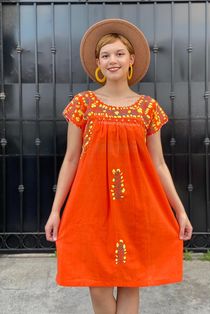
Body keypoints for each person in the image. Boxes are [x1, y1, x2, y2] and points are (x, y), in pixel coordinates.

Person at [45, 18, 193, 314]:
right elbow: (71, 159)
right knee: (96, 282)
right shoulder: (83, 103)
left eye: (119, 53)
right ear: (98, 62)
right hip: (89, 207)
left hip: (137, 207)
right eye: (105, 55)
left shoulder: (148, 108)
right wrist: (55, 210)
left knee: (130, 281)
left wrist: (180, 210)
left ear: (131, 60)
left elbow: (159, 163)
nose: (112, 60)